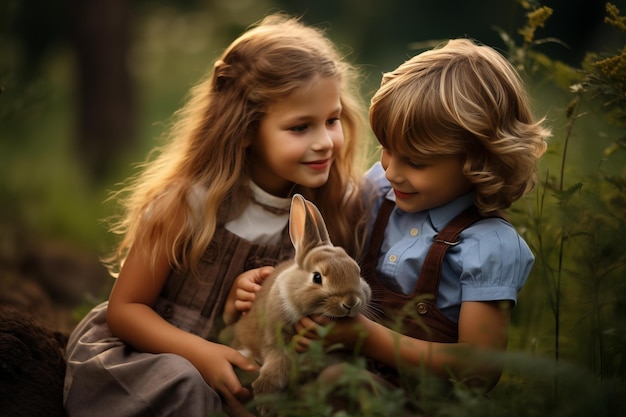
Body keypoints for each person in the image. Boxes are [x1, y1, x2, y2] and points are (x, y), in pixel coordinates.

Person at [63, 14, 368, 417]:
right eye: (300, 128)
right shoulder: (188, 204)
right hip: (157, 355)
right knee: (183, 381)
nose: (325, 142)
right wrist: (204, 355)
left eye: (332, 121)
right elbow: (126, 310)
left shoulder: (330, 209)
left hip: (254, 361)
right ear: (244, 130)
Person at [286, 38, 551, 395]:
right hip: (343, 372)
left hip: (417, 401)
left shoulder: (488, 246)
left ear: (478, 162)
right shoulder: (381, 189)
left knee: (336, 385)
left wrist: (365, 337)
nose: (392, 170)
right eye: (386, 149)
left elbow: (480, 370)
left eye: (415, 161)